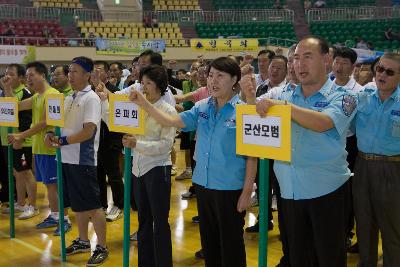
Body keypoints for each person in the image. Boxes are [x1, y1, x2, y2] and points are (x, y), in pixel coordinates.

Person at [129, 57, 258, 267]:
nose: (212, 81)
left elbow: (252, 155)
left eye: (220, 76)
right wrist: (143, 103)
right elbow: (170, 121)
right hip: (203, 185)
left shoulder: (244, 111)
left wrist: (246, 192)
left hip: (230, 188)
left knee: (231, 245)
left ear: (235, 79)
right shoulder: (202, 107)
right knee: (209, 244)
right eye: (210, 75)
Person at [242, 36, 357, 267]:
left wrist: (283, 108)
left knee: (328, 257)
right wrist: (251, 96)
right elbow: (255, 115)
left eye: (307, 57)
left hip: (326, 191)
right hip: (289, 192)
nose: (299, 64)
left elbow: (323, 122)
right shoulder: (284, 95)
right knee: (296, 256)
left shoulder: (344, 96)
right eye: (295, 58)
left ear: (326, 59)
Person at [102, 65, 176, 267]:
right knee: (143, 220)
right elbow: (113, 121)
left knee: (159, 222)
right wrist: (103, 102)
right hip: (137, 169)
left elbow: (166, 146)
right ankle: (145, 262)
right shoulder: (134, 106)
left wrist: (137, 144)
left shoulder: (167, 110)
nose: (143, 87)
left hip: (158, 169)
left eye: (148, 83)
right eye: (142, 83)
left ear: (160, 86)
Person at [45, 57, 108, 266]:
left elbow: (88, 131)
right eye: (69, 71)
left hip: (83, 160)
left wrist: (61, 140)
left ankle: (102, 246)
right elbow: (59, 125)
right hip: (65, 158)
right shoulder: (70, 97)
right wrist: (51, 136)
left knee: (92, 206)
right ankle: (82, 240)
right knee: (78, 205)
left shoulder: (91, 98)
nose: (70, 75)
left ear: (87, 74)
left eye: (75, 72)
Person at [7, 62, 72, 234]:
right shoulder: (37, 96)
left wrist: (21, 135)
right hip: (39, 149)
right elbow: (15, 106)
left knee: (56, 186)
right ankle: (55, 215)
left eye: (31, 75)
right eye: (27, 76)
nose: (28, 79)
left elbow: (45, 122)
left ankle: (64, 219)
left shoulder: (53, 95)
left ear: (42, 76)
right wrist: (7, 89)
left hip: (51, 149)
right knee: (49, 186)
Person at [353, 53, 400, 267]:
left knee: (392, 229)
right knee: (363, 225)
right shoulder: (364, 94)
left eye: (389, 72)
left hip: (392, 169)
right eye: (380, 69)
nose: (381, 75)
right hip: (362, 166)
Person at [0, 64, 37, 220]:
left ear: (21, 78)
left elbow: (26, 119)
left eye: (11, 74)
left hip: (21, 141)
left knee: (26, 173)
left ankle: (32, 206)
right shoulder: (5, 92)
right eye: (6, 73)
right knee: (17, 173)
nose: (7, 77)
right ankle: (20, 203)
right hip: (6, 139)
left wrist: (20, 137)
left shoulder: (25, 93)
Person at [91, 60, 124, 222]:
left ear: (106, 73)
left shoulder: (114, 91)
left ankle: (119, 204)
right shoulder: (89, 91)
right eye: (93, 71)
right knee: (97, 175)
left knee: (114, 175)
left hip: (111, 140)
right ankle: (101, 205)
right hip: (94, 140)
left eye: (98, 70)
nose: (95, 74)